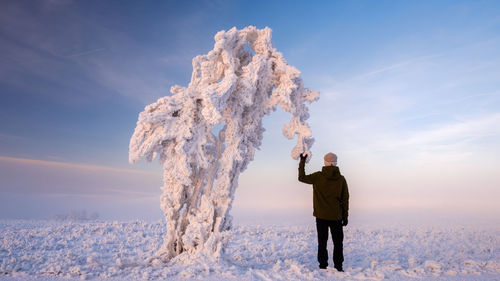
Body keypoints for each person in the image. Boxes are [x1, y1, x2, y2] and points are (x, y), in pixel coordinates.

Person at [298, 152, 349, 272]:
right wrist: (345, 216)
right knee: (338, 243)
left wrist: (302, 161)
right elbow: (345, 199)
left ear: (325, 163)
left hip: (321, 217)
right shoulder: (341, 179)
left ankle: (322, 266)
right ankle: (338, 266)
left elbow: (301, 177)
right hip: (336, 217)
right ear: (335, 163)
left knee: (322, 242)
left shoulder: (318, 176)